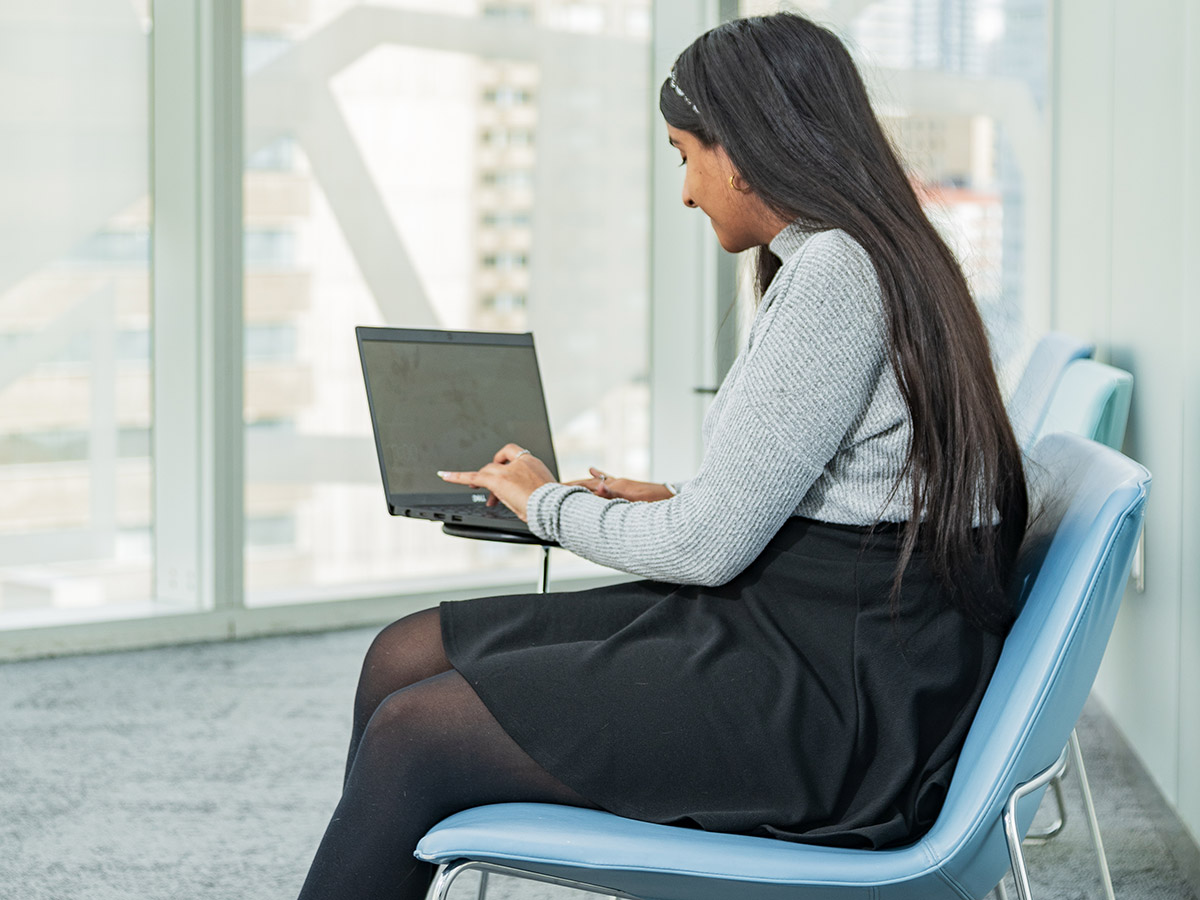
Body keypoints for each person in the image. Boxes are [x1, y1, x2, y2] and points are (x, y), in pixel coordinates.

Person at [296, 12, 1028, 900]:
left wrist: (544, 506)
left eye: (685, 153)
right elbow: (840, 492)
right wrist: (684, 497)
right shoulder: (868, 258)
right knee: (403, 654)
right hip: (810, 619)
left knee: (419, 730)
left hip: (836, 688)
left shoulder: (839, 273)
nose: (685, 190)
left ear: (750, 149)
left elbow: (707, 550)